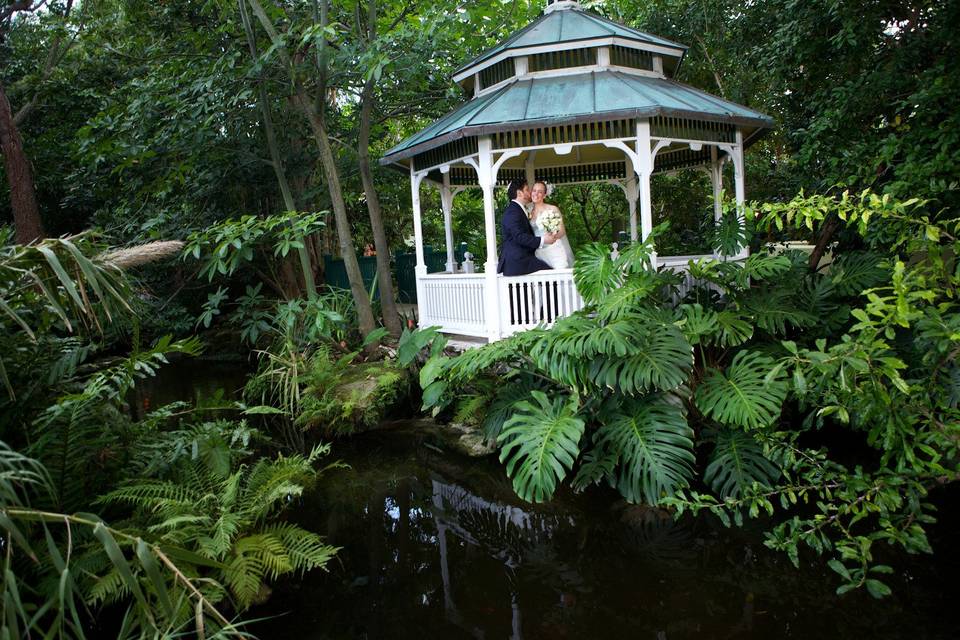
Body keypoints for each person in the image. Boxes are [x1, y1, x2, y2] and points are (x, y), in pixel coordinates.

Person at [498, 179, 559, 276]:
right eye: (527, 190)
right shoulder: (513, 212)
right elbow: (519, 236)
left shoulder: (519, 210)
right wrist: (543, 240)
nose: (530, 192)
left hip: (522, 260)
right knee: (551, 276)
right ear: (519, 193)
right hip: (518, 261)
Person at [530, 181, 574, 269]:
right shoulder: (528, 211)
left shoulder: (552, 209)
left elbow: (562, 231)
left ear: (545, 195)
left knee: (561, 277)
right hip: (538, 253)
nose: (536, 194)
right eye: (534, 190)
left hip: (554, 249)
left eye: (540, 192)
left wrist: (551, 237)